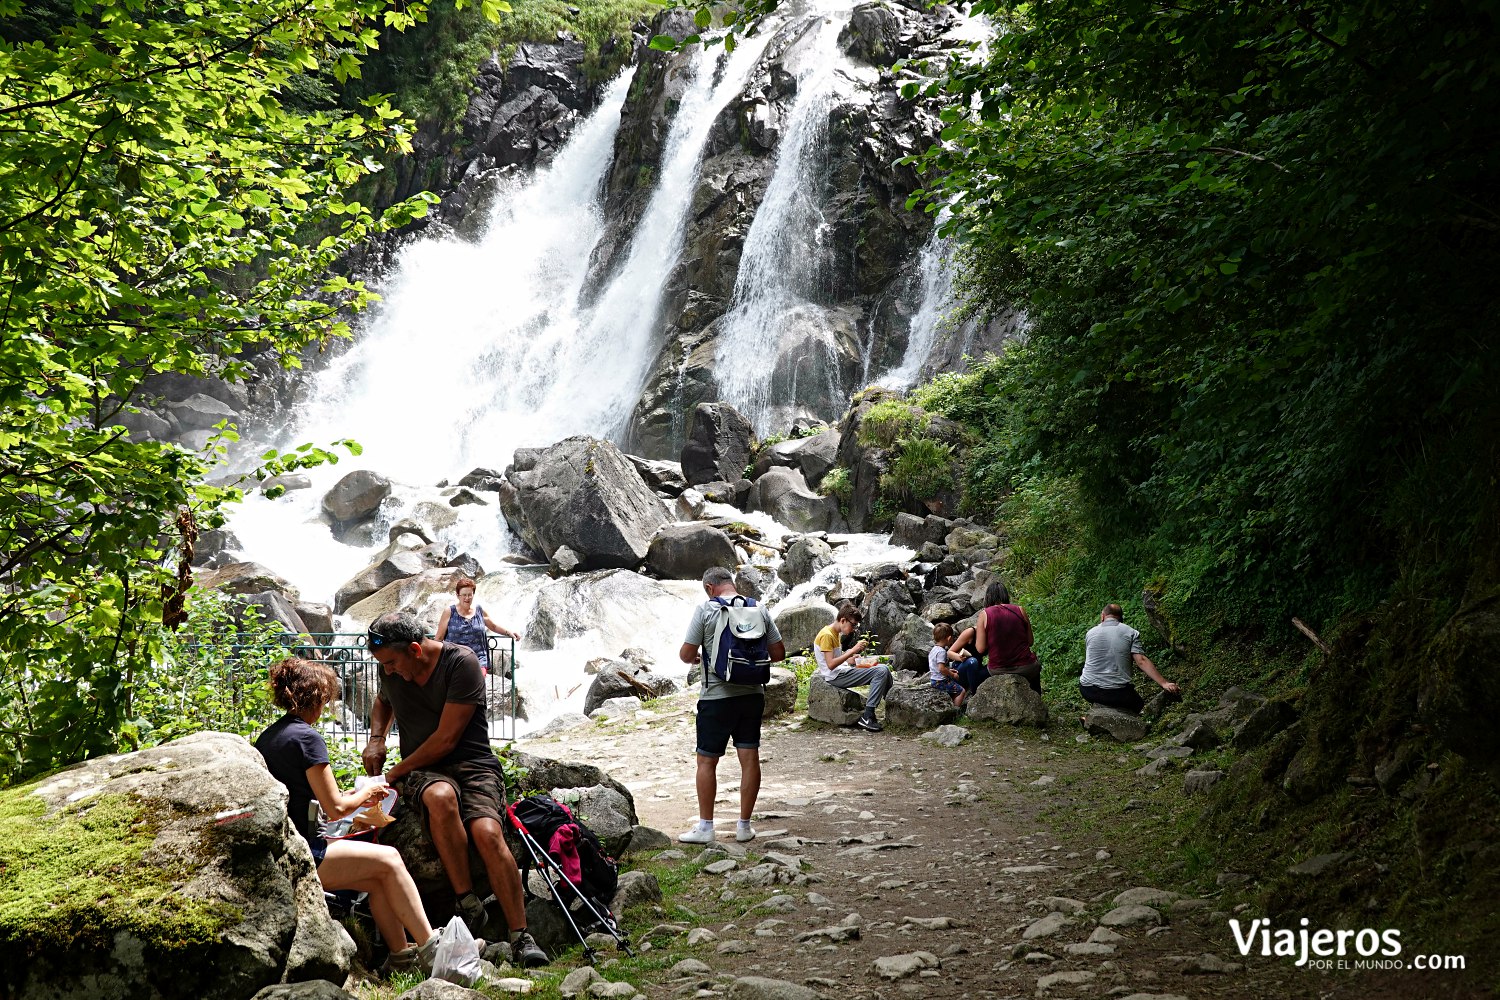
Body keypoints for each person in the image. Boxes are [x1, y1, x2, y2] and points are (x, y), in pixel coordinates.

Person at [360, 611, 549, 967]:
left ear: (415, 649)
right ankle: (466, 900)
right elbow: (383, 702)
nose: (387, 672)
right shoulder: (394, 671)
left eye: (390, 663)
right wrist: (376, 739)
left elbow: (446, 740)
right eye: (381, 665)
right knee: (439, 797)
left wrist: (393, 773)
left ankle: (520, 936)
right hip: (425, 770)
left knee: (488, 832)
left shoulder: (460, 662)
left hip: (472, 764)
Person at [255, 658, 438, 976]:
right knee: (390, 859)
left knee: (378, 879)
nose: (325, 707)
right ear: (313, 696)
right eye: (325, 700)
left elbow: (314, 802)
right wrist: (370, 791)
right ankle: (435, 950)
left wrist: (356, 803)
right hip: (306, 856)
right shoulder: (307, 739)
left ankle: (401, 959)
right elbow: (337, 806)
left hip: (280, 851)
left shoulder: (270, 737)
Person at [677, 566, 786, 845]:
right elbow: (778, 653)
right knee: (749, 758)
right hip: (752, 696)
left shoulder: (706, 610)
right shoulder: (758, 609)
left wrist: (702, 655)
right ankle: (744, 826)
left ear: (710, 588)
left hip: (716, 697)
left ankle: (705, 827)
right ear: (732, 584)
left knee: (706, 761)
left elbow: (686, 654)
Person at [1079, 603, 1179, 713]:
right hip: (1116, 693)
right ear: (1121, 618)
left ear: (1102, 616)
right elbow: (1141, 661)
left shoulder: (1090, 633)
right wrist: (1164, 683)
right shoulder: (1130, 632)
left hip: (1087, 689)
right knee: (1138, 704)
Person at [812, 602, 892, 732]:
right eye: (853, 625)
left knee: (885, 668)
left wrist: (850, 659)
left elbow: (836, 658)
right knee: (881, 671)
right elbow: (830, 664)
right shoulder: (827, 635)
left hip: (842, 670)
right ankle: (868, 716)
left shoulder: (834, 633)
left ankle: (893, 706)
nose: (854, 629)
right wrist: (852, 650)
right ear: (843, 620)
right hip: (835, 676)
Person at [960, 581, 1042, 695]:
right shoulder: (1020, 610)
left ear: (988, 597)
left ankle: (974, 698)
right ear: (1005, 595)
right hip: (1027, 668)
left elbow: (980, 648)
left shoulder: (985, 614)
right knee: (1035, 664)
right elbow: (1030, 641)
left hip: (998, 669)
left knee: (976, 675)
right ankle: (1037, 697)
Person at [435, 577, 518, 676]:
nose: (467, 598)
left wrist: (509, 633)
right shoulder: (449, 612)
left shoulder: (479, 610)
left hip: (478, 659)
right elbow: (439, 638)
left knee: (477, 686)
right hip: (455, 660)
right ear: (458, 595)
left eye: (470, 595)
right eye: (464, 595)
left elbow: (493, 626)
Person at [928, 623, 967, 707]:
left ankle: (951, 704)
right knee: (961, 691)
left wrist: (948, 670)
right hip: (941, 681)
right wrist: (952, 674)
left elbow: (936, 667)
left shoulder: (934, 649)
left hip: (933, 679)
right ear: (949, 638)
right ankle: (956, 710)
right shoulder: (942, 652)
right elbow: (941, 668)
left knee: (953, 688)